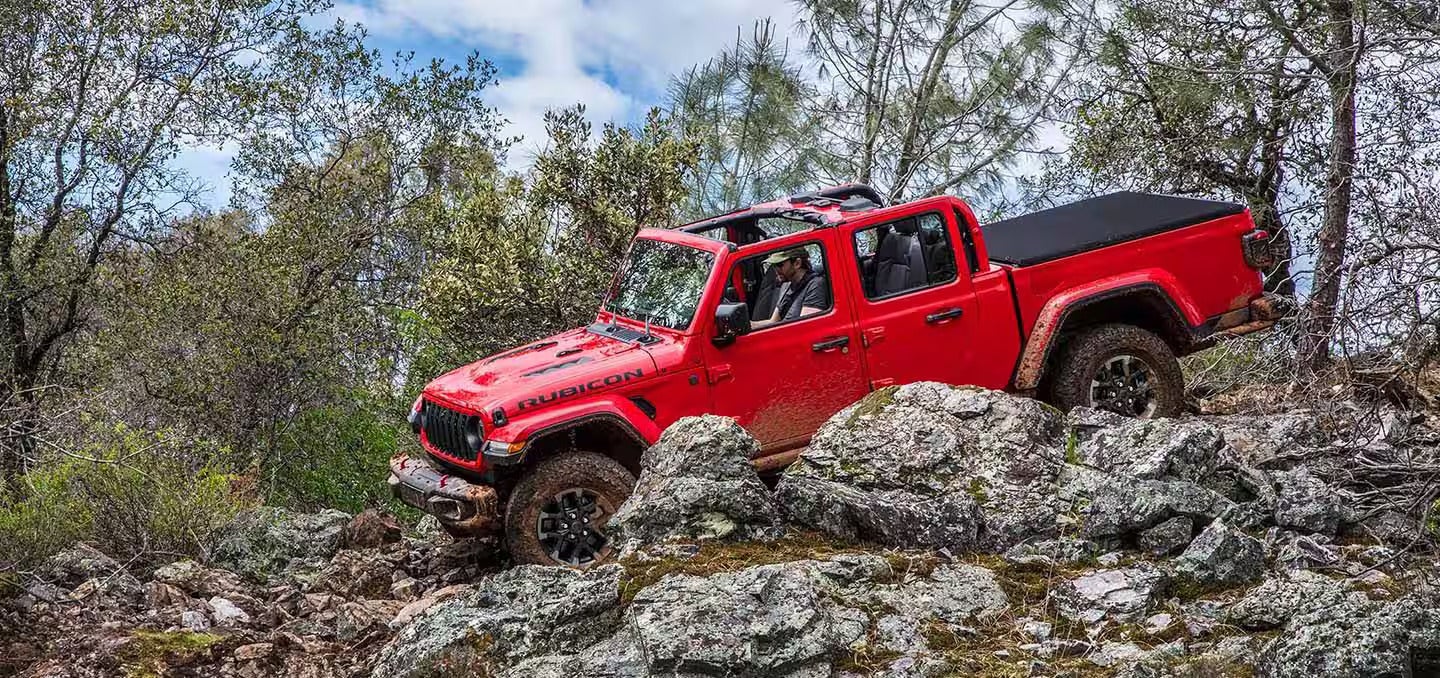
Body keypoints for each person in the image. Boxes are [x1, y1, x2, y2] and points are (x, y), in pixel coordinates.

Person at [752, 248, 828, 329]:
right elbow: (773, 322)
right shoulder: (787, 285)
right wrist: (749, 325)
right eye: (773, 265)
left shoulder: (815, 285)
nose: (776, 269)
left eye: (779, 264)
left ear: (797, 263)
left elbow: (806, 327)